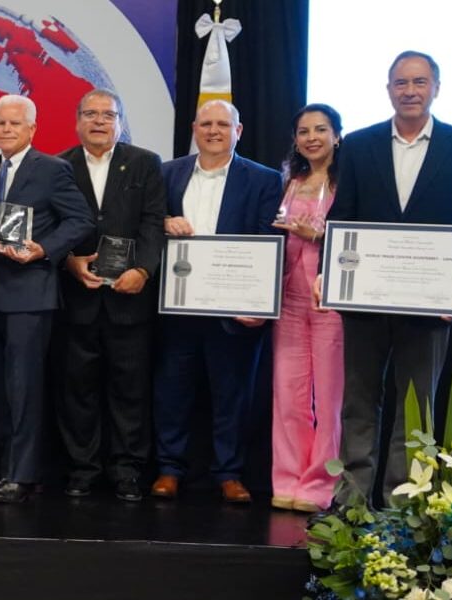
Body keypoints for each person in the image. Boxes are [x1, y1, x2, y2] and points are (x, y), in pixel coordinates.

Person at [325, 51, 452, 507]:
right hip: (365, 299)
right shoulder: (359, 144)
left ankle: (403, 508)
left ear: (436, 87)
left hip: (429, 300)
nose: (410, 91)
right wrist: (329, 275)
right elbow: (343, 216)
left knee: (417, 407)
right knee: (358, 402)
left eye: (419, 82)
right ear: (389, 89)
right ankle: (352, 504)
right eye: (401, 83)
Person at [151, 100, 282, 504]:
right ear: (193, 129)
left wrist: (257, 304)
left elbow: (268, 242)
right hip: (179, 306)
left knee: (232, 395)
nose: (213, 131)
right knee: (172, 392)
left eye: (223, 124)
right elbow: (146, 223)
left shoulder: (264, 179)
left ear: (238, 131)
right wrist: (163, 222)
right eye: (206, 124)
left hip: (234, 309)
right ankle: (169, 469)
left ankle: (229, 473)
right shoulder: (167, 173)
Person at [0, 95, 94, 503]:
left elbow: (81, 219)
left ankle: (24, 476)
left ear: (32, 128)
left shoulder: (52, 169)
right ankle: (8, 470)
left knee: (24, 388)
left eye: (15, 123)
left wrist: (44, 249)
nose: (6, 129)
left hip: (30, 294)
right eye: (1, 123)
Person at [54, 89, 168, 502]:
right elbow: (50, 224)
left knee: (129, 390)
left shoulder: (145, 163)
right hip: (77, 298)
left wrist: (144, 270)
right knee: (77, 390)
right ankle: (82, 469)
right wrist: (68, 261)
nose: (99, 121)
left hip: (129, 298)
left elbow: (154, 223)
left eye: (108, 114)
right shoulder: (59, 165)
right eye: (91, 114)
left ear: (120, 122)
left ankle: (127, 470)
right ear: (77, 121)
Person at [267, 104, 345, 513]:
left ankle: (320, 484)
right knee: (289, 395)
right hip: (288, 298)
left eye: (320, 129)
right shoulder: (290, 181)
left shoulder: (348, 183)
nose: (311, 137)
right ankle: (287, 479)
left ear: (337, 136)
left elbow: (357, 236)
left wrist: (319, 234)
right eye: (303, 131)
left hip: (329, 298)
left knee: (328, 399)